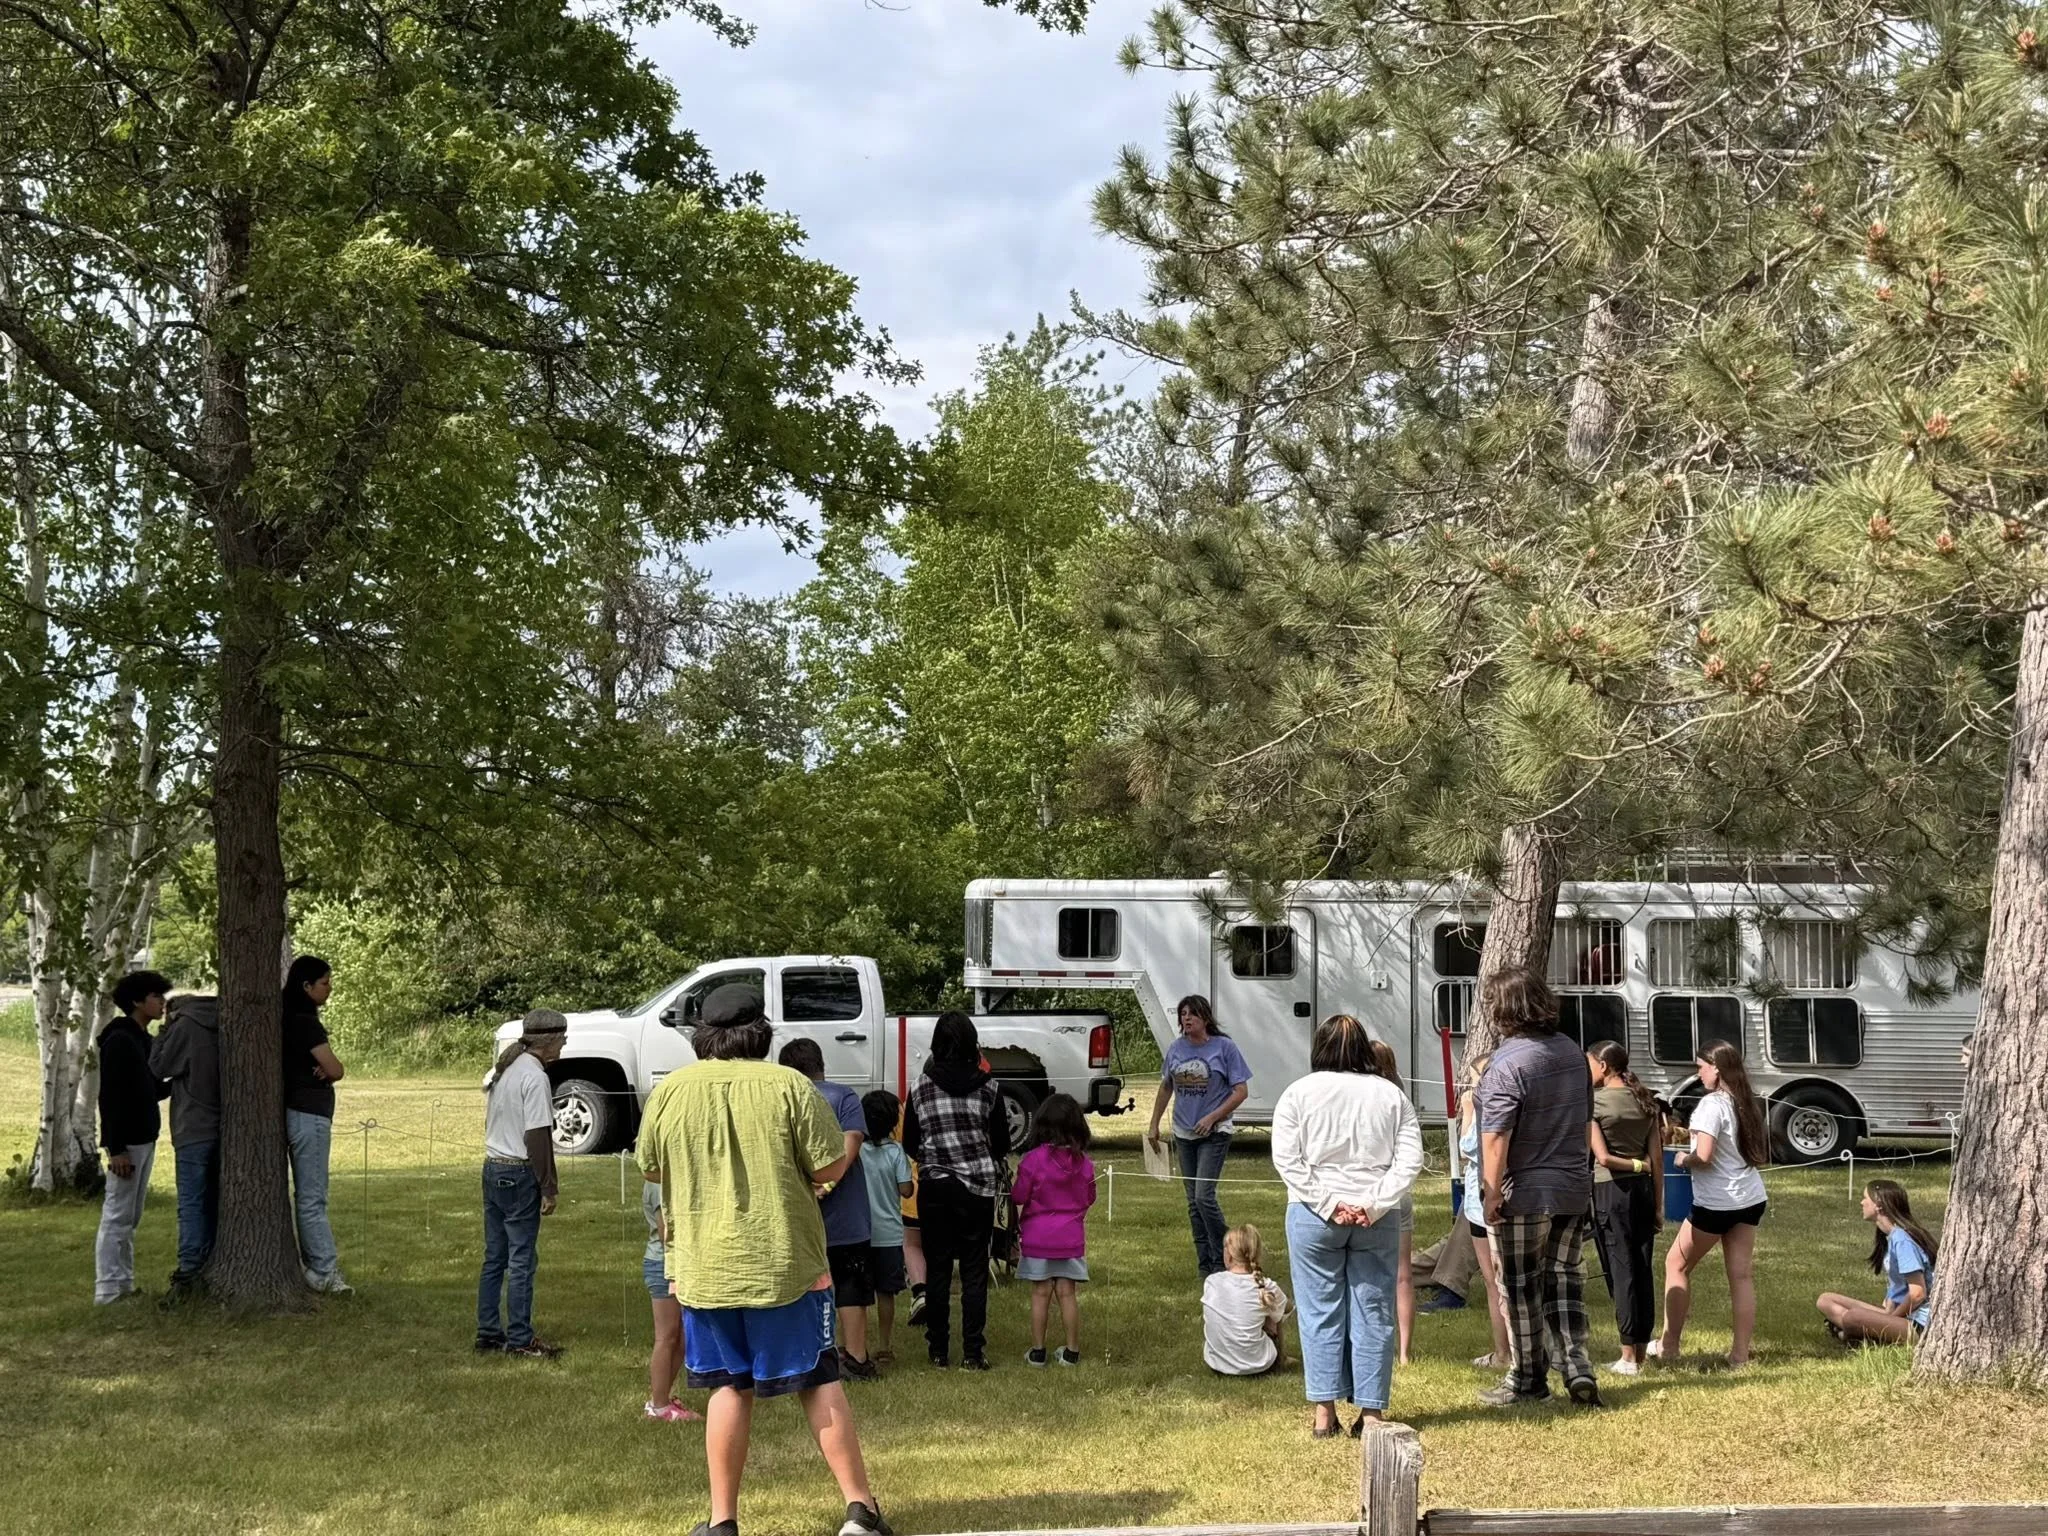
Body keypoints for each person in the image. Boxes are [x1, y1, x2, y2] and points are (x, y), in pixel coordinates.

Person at [636, 983, 890, 1536]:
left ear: (703, 1033)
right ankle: (860, 1512)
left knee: (729, 1386)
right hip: (786, 1265)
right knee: (819, 1381)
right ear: (762, 1031)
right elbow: (828, 1167)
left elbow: (652, 1169)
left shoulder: (670, 1091)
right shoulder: (790, 1086)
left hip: (704, 1269)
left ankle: (722, 1520)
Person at [1270, 1012, 1423, 1439]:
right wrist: (1373, 1205)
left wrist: (1328, 1203)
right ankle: (1371, 1413)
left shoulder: (1297, 1093)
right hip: (1375, 1215)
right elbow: (1410, 1159)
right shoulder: (1391, 1096)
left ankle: (1324, 1412)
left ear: (1318, 1048)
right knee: (1374, 1309)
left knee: (1319, 1311)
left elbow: (1287, 1159)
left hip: (1314, 1215)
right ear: (1363, 1050)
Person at [1476, 965, 1601, 1409]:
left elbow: (1495, 1135)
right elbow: (1586, 1119)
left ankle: (1528, 1378)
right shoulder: (1571, 1052)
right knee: (1566, 1280)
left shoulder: (1507, 1062)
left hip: (1524, 1191)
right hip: (1572, 1187)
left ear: (1503, 1010)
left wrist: (1491, 1192)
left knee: (1521, 1286)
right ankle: (1578, 1365)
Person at [903, 1011, 1011, 1371]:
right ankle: (973, 1351)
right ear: (971, 1043)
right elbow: (1001, 1143)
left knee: (937, 1269)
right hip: (977, 1188)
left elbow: (910, 1142)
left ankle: (937, 1350)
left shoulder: (919, 1088)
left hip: (935, 1187)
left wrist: (936, 1159)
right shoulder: (990, 1088)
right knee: (974, 1269)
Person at [1654, 1040, 1769, 1368]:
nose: (1698, 1072)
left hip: (1717, 1203)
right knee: (1741, 1275)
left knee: (1675, 1264)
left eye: (1701, 1066)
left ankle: (1670, 1346)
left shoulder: (1710, 1105)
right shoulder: (1744, 1101)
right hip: (1750, 1198)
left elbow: (1704, 1156)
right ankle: (1740, 1355)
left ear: (1716, 1068)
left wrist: (1682, 1159)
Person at [779, 1040, 878, 1380]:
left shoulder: (784, 1099)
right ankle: (856, 1357)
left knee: (808, 1287)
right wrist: (829, 1183)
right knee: (851, 1285)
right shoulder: (842, 1096)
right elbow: (852, 1141)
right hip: (848, 1214)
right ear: (821, 1064)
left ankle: (811, 1354)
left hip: (799, 1213)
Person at [476, 1008, 566, 1358]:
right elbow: (538, 1136)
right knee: (521, 1260)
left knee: (494, 1257)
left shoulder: (505, 1071)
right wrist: (548, 1186)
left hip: (492, 1167)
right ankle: (520, 1338)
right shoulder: (535, 1077)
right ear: (551, 1041)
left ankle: (488, 1333)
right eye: (563, 1039)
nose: (564, 1045)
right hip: (518, 1172)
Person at [1147, 994, 1253, 1277]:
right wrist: (1154, 1124)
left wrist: (1213, 1116)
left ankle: (1227, 1252)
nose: (1187, 1018)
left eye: (1192, 1013)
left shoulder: (1225, 1047)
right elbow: (1166, 1087)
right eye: (1183, 1014)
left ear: (1205, 1017)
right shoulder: (1176, 1049)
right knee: (1193, 1202)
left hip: (1214, 1133)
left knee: (1204, 1196)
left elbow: (1241, 1091)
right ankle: (1206, 1265)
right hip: (1184, 1134)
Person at [94, 970, 172, 1305]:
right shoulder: (120, 1040)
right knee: (117, 1213)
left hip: (145, 1136)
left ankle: (124, 1283)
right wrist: (116, 1149)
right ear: (137, 1001)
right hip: (126, 1141)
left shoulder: (144, 1040)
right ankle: (109, 1289)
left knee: (132, 1215)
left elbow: (151, 1089)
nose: (161, 1003)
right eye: (156, 997)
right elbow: (109, 1098)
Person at [1587, 1041, 1663, 1375]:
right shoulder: (1645, 1100)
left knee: (1621, 1270)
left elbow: (1601, 1158)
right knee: (1642, 1268)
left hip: (1611, 1190)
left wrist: (1634, 1166)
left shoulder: (1594, 1103)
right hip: (1645, 1194)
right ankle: (1642, 1350)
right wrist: (1659, 1204)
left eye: (1588, 1063)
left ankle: (1627, 1355)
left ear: (1603, 1066)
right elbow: (1657, 1159)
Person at [1012, 1091, 1097, 1367]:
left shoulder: (1033, 1160)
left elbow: (1019, 1196)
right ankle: (1071, 1352)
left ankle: (1037, 1351)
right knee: (1067, 1293)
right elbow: (1089, 1197)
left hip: (1037, 1238)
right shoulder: (1084, 1163)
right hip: (1070, 1238)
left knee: (1040, 1294)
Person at [281, 955, 350, 1295]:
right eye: (325, 983)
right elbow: (335, 1069)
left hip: (298, 1110)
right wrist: (329, 1068)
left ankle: (318, 1265)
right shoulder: (305, 1022)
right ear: (306, 986)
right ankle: (323, 1269)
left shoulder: (288, 1018)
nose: (330, 988)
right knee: (312, 1196)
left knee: (310, 1195)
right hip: (309, 1113)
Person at [150, 991, 222, 1300]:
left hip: (192, 1126)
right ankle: (212, 1258)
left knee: (191, 1203)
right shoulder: (223, 1022)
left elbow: (158, 1066)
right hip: (223, 1125)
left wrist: (163, 1032)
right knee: (215, 1200)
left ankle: (190, 1271)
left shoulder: (185, 1027)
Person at [1817, 1179, 1939, 1345]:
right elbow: (1897, 1288)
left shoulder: (1902, 1240)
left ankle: (1855, 1333)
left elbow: (1917, 1294)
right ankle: (1857, 1333)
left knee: (1853, 1316)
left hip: (1919, 1325)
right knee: (1826, 1300)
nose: (1861, 1202)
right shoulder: (1892, 1237)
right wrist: (1885, 1314)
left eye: (1865, 1198)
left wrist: (1889, 1320)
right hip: (1899, 1315)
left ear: (1879, 1205)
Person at [1454, 1051, 1512, 1370]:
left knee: (1494, 1282)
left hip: (1483, 1198)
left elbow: (1469, 1148)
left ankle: (1504, 1352)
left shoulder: (1479, 1103)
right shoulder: (1515, 1100)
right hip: (1512, 1193)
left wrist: (1468, 1108)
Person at [1367, 1039, 1417, 1364]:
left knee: (1369, 1274)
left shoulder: (1364, 1101)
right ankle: (1404, 1353)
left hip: (1369, 1194)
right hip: (1399, 1192)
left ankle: (1374, 1346)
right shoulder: (1400, 1099)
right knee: (1403, 1274)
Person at [858, 1092, 915, 1362]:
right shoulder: (896, 1152)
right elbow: (906, 1191)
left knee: (857, 1294)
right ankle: (884, 1344)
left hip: (859, 1233)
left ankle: (855, 1345)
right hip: (890, 1234)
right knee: (886, 1293)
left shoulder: (856, 1150)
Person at [644, 1177, 704, 1421]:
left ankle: (661, 1398)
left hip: (678, 1265)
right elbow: (665, 1232)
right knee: (666, 1337)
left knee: (681, 1339)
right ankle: (658, 1406)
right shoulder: (659, 1183)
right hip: (663, 1265)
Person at [1202, 1223, 1293, 1376]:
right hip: (1259, 1364)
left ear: (1228, 1254)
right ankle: (1281, 1358)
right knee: (1273, 1311)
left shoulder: (1212, 1282)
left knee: (1264, 1307)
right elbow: (1288, 1308)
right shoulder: (1265, 1285)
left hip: (1217, 1363)